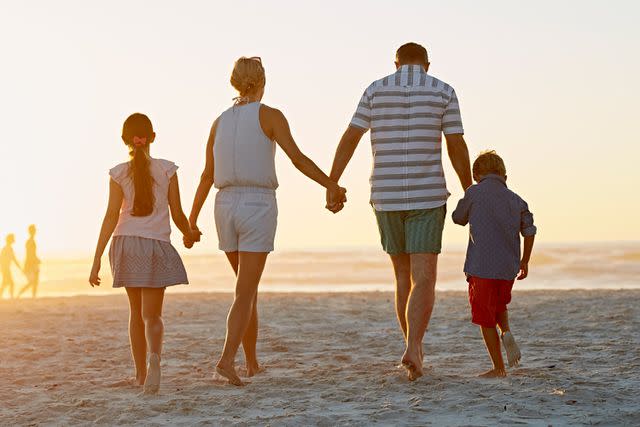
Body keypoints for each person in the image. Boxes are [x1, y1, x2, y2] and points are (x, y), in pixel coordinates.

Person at [188, 56, 346, 386]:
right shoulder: (270, 115)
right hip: (256, 204)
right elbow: (298, 158)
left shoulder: (219, 121)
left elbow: (206, 175)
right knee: (245, 292)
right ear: (262, 82)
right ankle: (227, 360)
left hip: (223, 205)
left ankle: (251, 363)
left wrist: (191, 220)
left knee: (247, 289)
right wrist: (330, 184)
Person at [326, 42, 472, 380]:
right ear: (427, 64)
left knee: (402, 277)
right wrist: (469, 191)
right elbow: (456, 143)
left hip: (386, 194)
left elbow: (351, 136)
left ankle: (412, 345)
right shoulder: (443, 91)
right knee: (424, 277)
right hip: (427, 195)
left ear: (396, 64)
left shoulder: (375, 90)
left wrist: (333, 181)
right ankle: (414, 347)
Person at [89, 113, 200, 393]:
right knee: (152, 315)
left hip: (126, 243)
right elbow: (177, 213)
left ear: (126, 140)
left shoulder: (118, 173)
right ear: (152, 137)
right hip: (155, 246)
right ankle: (154, 362)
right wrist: (189, 234)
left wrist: (96, 259)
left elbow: (111, 216)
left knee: (135, 314)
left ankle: (140, 375)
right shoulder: (167, 170)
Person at [452, 150, 536, 377]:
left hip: (481, 266)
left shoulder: (474, 192)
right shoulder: (516, 199)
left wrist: (469, 199)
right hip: (508, 267)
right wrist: (525, 260)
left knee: (484, 316)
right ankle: (506, 332)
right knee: (499, 305)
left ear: (476, 174)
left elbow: (458, 218)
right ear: (504, 176)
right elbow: (529, 231)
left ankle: (499, 367)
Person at [18, 224, 41, 298]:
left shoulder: (32, 241)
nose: (34, 231)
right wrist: (34, 260)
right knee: (32, 282)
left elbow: (32, 253)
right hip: (31, 263)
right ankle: (20, 293)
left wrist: (36, 259)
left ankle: (33, 296)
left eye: (34, 230)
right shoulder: (29, 241)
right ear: (30, 231)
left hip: (33, 262)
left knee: (35, 281)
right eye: (33, 230)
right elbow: (29, 254)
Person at [1, 234, 22, 299]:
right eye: (12, 239)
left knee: (5, 283)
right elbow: (13, 259)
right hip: (5, 268)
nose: (13, 241)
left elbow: (13, 259)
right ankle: (11, 296)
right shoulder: (7, 249)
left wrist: (18, 266)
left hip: (5, 268)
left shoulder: (8, 248)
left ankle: (4, 295)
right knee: (11, 283)